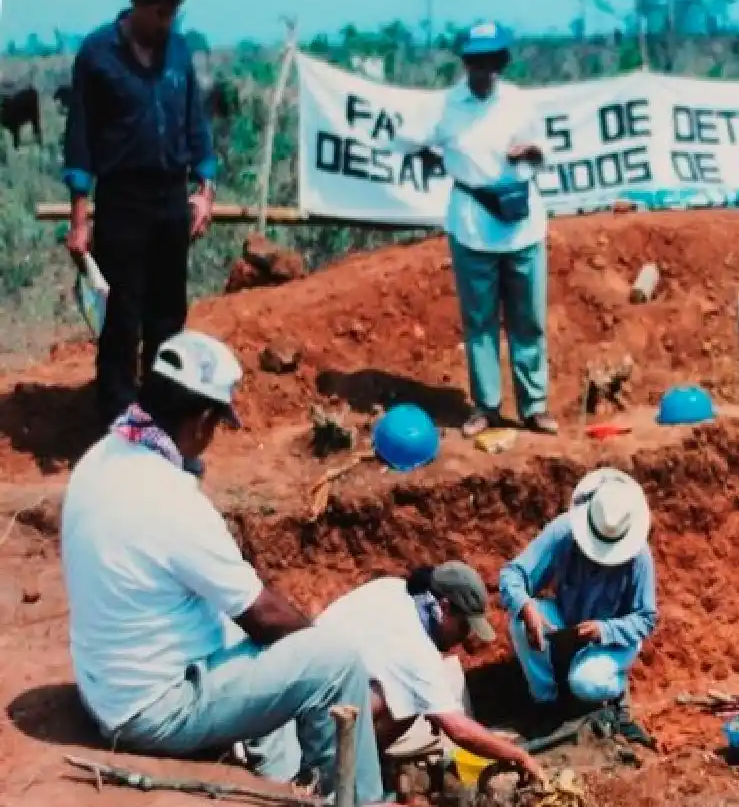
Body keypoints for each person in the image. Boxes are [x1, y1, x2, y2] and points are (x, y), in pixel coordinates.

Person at [60, 330, 387, 805]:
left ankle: (280, 784)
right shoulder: (170, 500)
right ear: (201, 419)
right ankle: (358, 802)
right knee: (335, 662)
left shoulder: (99, 459)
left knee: (257, 647)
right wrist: (314, 642)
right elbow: (263, 615)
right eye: (217, 424)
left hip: (107, 684)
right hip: (153, 709)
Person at [62, 0, 217, 435]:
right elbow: (81, 137)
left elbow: (196, 121)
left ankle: (161, 419)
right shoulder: (97, 54)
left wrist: (205, 189)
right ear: (139, 6)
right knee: (122, 317)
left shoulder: (179, 52)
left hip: (171, 197)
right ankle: (117, 425)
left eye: (173, 15)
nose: (167, 24)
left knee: (168, 314)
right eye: (161, 14)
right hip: (123, 199)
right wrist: (80, 216)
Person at [416, 20, 557, 439]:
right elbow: (412, 139)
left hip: (520, 222)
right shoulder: (447, 106)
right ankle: (486, 406)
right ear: (466, 63)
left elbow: (543, 152)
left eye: (490, 60)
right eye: (475, 61)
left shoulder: (518, 104)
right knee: (479, 320)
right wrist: (428, 154)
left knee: (527, 318)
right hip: (472, 221)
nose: (483, 69)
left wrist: (531, 151)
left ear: (501, 62)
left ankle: (534, 406)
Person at [315, 563, 545, 782]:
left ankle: (364, 761)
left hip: (310, 685)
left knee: (413, 696)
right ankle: (348, 773)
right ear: (443, 607)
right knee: (411, 703)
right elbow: (458, 731)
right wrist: (518, 756)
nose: (464, 638)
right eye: (463, 626)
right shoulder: (416, 649)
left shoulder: (393, 588)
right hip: (322, 722)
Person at [498, 467, 656, 745]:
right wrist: (526, 606)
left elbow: (645, 618)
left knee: (586, 682)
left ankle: (616, 700)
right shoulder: (564, 532)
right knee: (521, 623)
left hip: (613, 639)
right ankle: (547, 705)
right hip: (567, 621)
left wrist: (604, 630)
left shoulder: (639, 556)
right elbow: (513, 574)